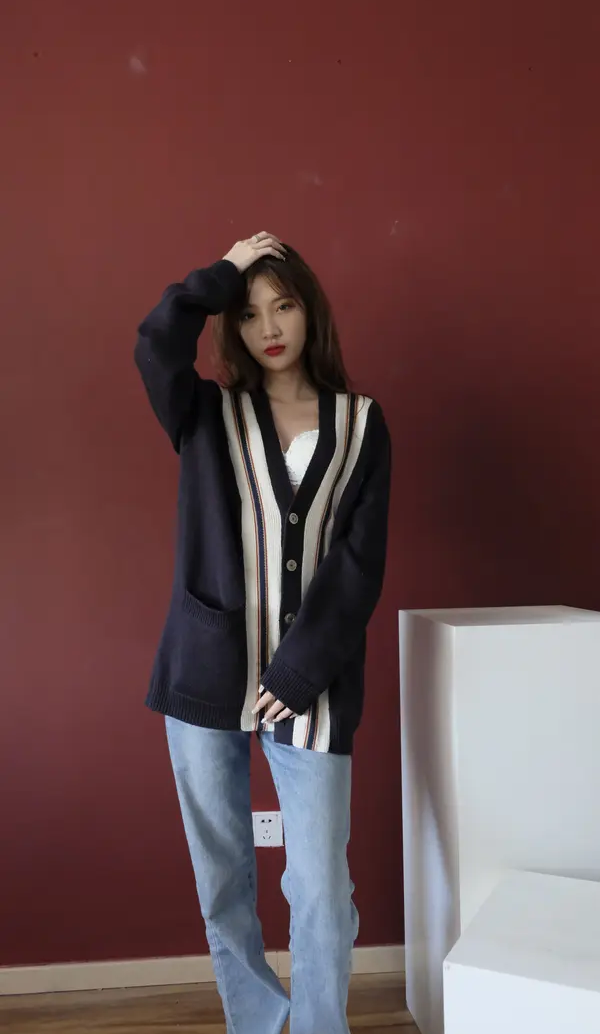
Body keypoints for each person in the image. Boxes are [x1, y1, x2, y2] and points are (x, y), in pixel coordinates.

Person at [134, 232, 391, 1034]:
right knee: (223, 879)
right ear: (230, 323)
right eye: (248, 313)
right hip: (205, 672)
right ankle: (257, 1020)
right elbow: (154, 343)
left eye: (284, 305)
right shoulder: (205, 411)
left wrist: (299, 670)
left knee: (320, 887)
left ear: (311, 310)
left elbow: (358, 566)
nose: (270, 327)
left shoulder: (361, 424)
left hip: (313, 685)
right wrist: (224, 272)